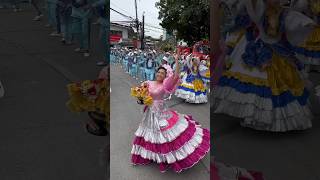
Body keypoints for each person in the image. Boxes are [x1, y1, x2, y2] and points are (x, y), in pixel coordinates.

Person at [212, 0, 320, 132]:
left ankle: (260, 119)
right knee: (253, 85)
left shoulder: (282, 12)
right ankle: (251, 117)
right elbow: (252, 15)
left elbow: (292, 20)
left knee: (279, 84)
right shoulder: (259, 8)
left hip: (277, 51)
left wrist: (306, 23)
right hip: (257, 49)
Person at [130, 54, 210, 172]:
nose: (159, 74)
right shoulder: (147, 82)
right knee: (150, 134)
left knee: (164, 135)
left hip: (161, 112)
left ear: (165, 76)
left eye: (162, 73)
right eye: (158, 72)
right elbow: (141, 97)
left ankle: (164, 157)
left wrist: (177, 61)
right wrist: (140, 99)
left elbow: (176, 76)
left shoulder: (165, 85)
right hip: (149, 113)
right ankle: (153, 155)